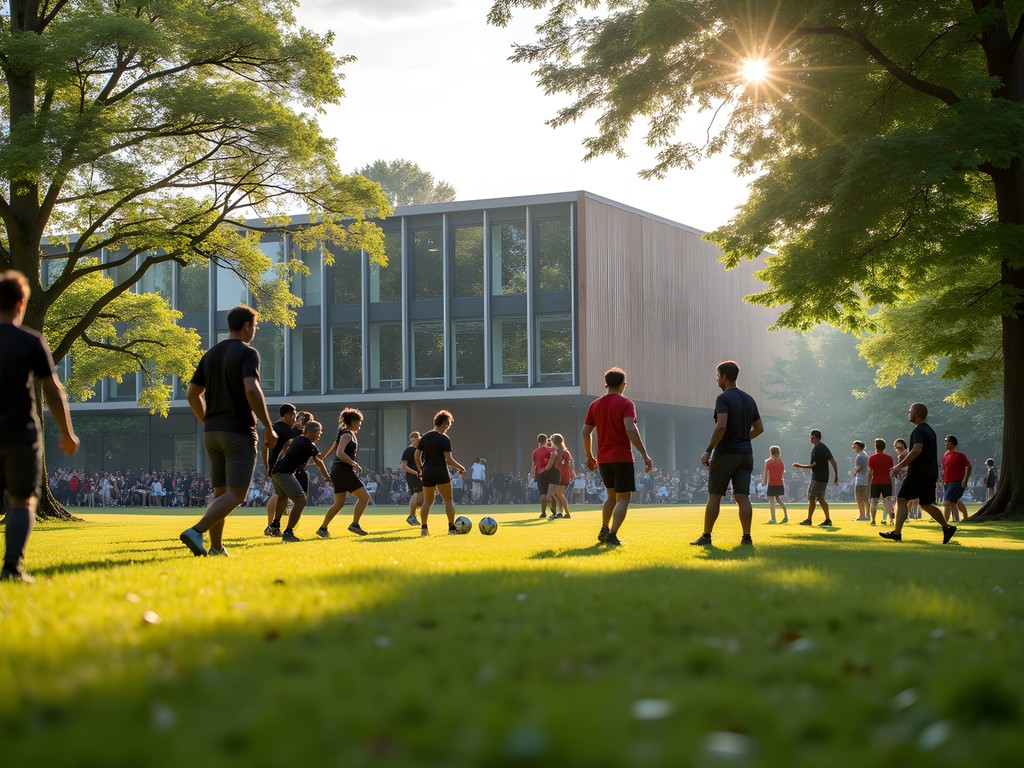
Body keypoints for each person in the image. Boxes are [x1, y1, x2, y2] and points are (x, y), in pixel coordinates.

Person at [0, 270, 80, 582]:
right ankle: (12, 569)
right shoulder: (31, 341)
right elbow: (53, 389)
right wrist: (67, 431)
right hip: (21, 433)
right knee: (23, 500)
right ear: (21, 303)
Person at [180, 304, 277, 557]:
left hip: (212, 433)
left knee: (219, 492)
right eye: (254, 326)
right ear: (247, 325)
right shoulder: (248, 353)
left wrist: (207, 420)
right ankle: (196, 531)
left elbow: (192, 394)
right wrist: (268, 427)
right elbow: (252, 390)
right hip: (238, 431)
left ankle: (215, 547)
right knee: (237, 494)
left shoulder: (210, 354)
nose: (254, 330)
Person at [691, 361, 764, 547]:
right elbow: (759, 428)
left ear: (723, 376)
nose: (716, 379)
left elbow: (721, 425)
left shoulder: (723, 398)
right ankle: (747, 537)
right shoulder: (749, 399)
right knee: (742, 496)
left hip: (726, 453)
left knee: (714, 495)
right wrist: (743, 438)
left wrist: (708, 449)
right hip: (746, 453)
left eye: (717, 375)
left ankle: (706, 536)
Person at [582, 367, 653, 547]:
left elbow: (585, 432)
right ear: (623, 384)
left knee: (611, 497)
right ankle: (612, 535)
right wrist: (644, 454)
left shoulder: (595, 405)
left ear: (606, 383)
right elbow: (630, 428)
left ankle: (604, 528)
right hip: (622, 456)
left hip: (604, 458)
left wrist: (590, 456)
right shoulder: (626, 403)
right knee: (623, 499)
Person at [881, 403, 957, 544]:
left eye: (909, 411)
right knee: (926, 503)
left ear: (915, 414)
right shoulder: (930, 431)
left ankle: (897, 533)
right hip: (930, 472)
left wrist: (899, 466)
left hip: (919, 472)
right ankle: (947, 527)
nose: (908, 413)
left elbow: (917, 450)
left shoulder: (919, 430)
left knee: (902, 499)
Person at [316, 408, 373, 538]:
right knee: (365, 497)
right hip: (343, 471)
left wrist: (324, 458)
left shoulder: (344, 433)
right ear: (353, 421)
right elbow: (340, 453)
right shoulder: (347, 434)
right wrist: (353, 463)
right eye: (359, 422)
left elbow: (335, 449)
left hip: (338, 471)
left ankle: (323, 528)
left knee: (339, 503)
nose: (360, 424)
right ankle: (355, 524)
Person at [269, 420, 329, 542]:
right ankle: (288, 532)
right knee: (301, 501)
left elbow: (286, 449)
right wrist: (327, 477)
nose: (320, 435)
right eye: (320, 432)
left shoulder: (298, 439)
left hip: (276, 471)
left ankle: (275, 526)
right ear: (314, 432)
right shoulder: (307, 444)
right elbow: (319, 461)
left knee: (282, 496)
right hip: (284, 472)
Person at [415, 410, 467, 537]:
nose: (447, 429)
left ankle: (424, 528)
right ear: (443, 423)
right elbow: (448, 460)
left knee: (427, 501)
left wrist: (420, 469)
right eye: (447, 426)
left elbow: (417, 455)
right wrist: (461, 468)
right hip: (440, 470)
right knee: (448, 499)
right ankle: (451, 527)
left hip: (427, 471)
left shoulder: (425, 437)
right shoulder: (444, 438)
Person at [261, 403, 298, 535]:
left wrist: (267, 466)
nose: (295, 418)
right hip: (281, 468)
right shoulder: (284, 430)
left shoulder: (275, 428)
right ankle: (271, 524)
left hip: (276, 467)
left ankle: (272, 524)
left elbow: (264, 448)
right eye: (294, 415)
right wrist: (268, 466)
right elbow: (266, 447)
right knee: (278, 495)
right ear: (287, 415)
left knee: (280, 495)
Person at [793, 430, 839, 527]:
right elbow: (833, 462)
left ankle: (810, 520)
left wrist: (799, 466)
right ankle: (826, 519)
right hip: (823, 478)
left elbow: (813, 465)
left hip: (818, 478)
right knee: (819, 498)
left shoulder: (817, 449)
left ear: (813, 436)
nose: (809, 438)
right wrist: (836, 475)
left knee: (812, 497)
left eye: (810, 436)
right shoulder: (823, 447)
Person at [940, 435, 973, 523]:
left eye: (947, 441)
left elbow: (969, 467)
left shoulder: (960, 455)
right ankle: (959, 519)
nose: (945, 443)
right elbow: (944, 468)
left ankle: (944, 522)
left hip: (956, 482)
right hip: (947, 482)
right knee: (954, 501)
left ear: (952, 443)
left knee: (946, 502)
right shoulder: (945, 455)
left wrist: (965, 480)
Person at [866, 438, 894, 526]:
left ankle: (873, 520)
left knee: (874, 502)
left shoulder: (872, 458)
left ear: (875, 446)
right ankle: (892, 520)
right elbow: (891, 470)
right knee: (888, 501)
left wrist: (868, 482)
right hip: (887, 481)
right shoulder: (889, 458)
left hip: (876, 481)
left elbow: (870, 471)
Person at [549, 433, 576, 519]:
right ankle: (559, 513)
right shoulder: (556, 451)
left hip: (563, 476)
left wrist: (559, 457)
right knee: (557, 495)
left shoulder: (565, 452)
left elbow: (565, 463)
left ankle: (567, 513)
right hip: (557, 475)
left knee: (559, 494)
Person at [531, 435, 557, 519]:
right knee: (552, 494)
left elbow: (534, 464)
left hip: (540, 474)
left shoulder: (535, 452)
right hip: (551, 473)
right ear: (546, 440)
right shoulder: (551, 449)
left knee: (543, 494)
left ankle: (543, 512)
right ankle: (554, 512)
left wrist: (533, 474)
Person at [400, 432, 423, 526]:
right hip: (412, 477)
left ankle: (414, 515)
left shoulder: (421, 450)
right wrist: (415, 473)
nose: (414, 440)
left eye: (416, 438)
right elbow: (404, 466)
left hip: (420, 476)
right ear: (410, 439)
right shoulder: (408, 450)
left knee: (422, 498)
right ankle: (411, 516)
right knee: (416, 495)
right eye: (412, 439)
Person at [764, 445, 788, 524]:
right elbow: (782, 474)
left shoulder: (768, 462)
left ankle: (773, 519)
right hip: (780, 483)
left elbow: (766, 474)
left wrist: (764, 483)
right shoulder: (781, 462)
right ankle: (786, 516)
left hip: (772, 483)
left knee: (771, 501)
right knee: (778, 499)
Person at [851, 440, 870, 520]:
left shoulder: (859, 456)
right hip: (866, 479)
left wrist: (854, 473)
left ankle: (862, 515)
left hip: (860, 480)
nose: (853, 447)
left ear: (858, 446)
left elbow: (859, 467)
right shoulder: (865, 455)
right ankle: (868, 515)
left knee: (859, 498)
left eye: (854, 446)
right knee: (866, 498)